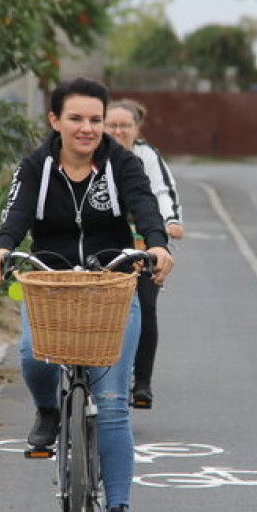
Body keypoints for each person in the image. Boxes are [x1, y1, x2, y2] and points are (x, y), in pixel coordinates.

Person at [0, 77, 175, 512]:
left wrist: (156, 245)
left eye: (95, 119)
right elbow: (16, 214)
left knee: (112, 403)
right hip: (50, 282)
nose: (87, 128)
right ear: (55, 121)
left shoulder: (122, 164)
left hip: (111, 283)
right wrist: (2, 248)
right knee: (32, 354)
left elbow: (145, 207)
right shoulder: (37, 167)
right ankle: (48, 411)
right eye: (76, 119)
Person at [105, 98, 185, 409]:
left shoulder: (147, 157)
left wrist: (170, 222)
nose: (117, 131)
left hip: (140, 245)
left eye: (125, 126)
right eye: (111, 125)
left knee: (145, 305)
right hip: (103, 245)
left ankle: (142, 383)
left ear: (137, 130)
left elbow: (163, 193)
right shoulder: (91, 157)